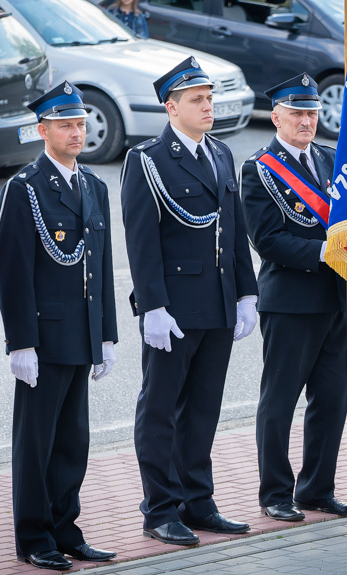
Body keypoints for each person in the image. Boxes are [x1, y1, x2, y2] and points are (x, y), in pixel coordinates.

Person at [121, 56, 258, 545]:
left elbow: (235, 230)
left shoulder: (219, 153)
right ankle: (159, 508)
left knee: (202, 410)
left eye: (210, 98)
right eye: (197, 100)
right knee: (160, 410)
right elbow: (141, 240)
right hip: (174, 310)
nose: (208, 106)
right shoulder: (148, 159)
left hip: (218, 305)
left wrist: (246, 292)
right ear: (170, 106)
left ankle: (197, 501)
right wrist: (152, 307)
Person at [0, 81, 118, 571]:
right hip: (44, 338)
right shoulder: (24, 188)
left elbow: (102, 266)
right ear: (41, 130)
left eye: (81, 124)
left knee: (73, 443)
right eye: (65, 124)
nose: (76, 132)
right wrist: (21, 341)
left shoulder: (93, 186)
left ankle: (66, 528)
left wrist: (106, 333)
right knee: (36, 444)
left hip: (82, 334)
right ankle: (34, 536)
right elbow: (12, 268)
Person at [239, 73, 347, 522]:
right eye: (297, 113)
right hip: (291, 299)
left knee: (332, 400)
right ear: (277, 116)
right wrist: (325, 251)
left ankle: (317, 488)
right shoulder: (259, 167)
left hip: (337, 298)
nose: (306, 121)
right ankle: (276, 492)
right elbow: (267, 239)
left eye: (312, 112)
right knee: (280, 400)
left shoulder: (329, 158)